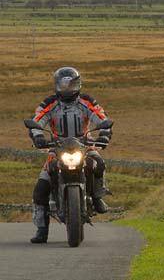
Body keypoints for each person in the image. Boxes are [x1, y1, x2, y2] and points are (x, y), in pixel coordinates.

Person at [27, 67, 113, 244]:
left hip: (85, 145)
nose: (67, 89)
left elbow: (101, 118)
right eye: (63, 85)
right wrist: (38, 137)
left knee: (98, 163)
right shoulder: (48, 104)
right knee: (41, 187)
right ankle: (42, 230)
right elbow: (36, 122)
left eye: (71, 85)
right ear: (56, 85)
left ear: (78, 84)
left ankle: (97, 197)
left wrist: (104, 134)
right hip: (57, 148)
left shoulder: (87, 101)